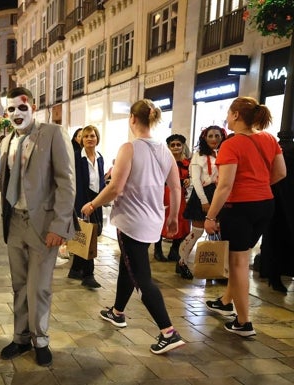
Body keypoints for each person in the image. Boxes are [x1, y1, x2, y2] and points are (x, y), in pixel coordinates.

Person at [81, 99, 186, 354]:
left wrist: (92, 204)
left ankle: (168, 332)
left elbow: (116, 187)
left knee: (141, 276)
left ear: (132, 119)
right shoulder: (164, 150)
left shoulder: (130, 148)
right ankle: (117, 312)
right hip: (153, 219)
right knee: (128, 265)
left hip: (132, 220)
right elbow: (175, 186)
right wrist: (172, 218)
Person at [0, 87, 76, 367]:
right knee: (19, 285)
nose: (16, 113)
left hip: (43, 224)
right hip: (14, 221)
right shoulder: (6, 142)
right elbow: (9, 181)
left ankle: (41, 340)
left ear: (34, 107)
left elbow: (66, 183)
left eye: (21, 107)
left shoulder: (52, 133)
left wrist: (60, 225)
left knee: (38, 286)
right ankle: (20, 337)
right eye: (11, 109)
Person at [204, 96, 286, 336]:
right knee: (242, 257)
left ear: (236, 115)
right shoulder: (269, 138)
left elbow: (225, 185)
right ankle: (226, 301)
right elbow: (280, 172)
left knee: (238, 264)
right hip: (265, 205)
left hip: (239, 208)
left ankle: (243, 322)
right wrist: (259, 185)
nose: (227, 118)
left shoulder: (231, 144)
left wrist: (210, 217)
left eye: (229, 114)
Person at [177, 126, 227, 279]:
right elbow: (196, 181)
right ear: (204, 138)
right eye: (210, 136)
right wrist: (204, 201)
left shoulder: (225, 153)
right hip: (202, 195)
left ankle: (216, 268)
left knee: (218, 233)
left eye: (217, 136)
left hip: (220, 194)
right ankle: (182, 262)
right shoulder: (198, 155)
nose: (214, 139)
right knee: (197, 232)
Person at [67, 125, 103, 288]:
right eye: (86, 136)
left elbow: (100, 181)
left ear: (97, 138)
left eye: (92, 136)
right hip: (82, 199)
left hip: (96, 199)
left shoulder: (100, 157)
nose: (89, 138)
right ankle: (89, 275)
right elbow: (73, 181)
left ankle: (75, 270)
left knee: (88, 233)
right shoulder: (76, 157)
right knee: (89, 236)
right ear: (81, 139)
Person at [153, 134, 190, 263]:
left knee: (182, 221)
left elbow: (193, 176)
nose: (176, 147)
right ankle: (157, 250)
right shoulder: (163, 161)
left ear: (183, 146)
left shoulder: (188, 163)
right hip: (164, 193)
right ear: (168, 147)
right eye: (173, 145)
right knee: (161, 220)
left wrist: (188, 180)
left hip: (181, 196)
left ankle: (174, 249)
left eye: (178, 144)